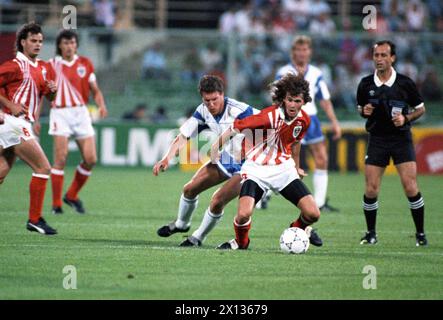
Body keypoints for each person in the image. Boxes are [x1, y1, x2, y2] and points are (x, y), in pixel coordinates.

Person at [213, 73, 322, 250]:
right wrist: (214, 149)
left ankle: (296, 230)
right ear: (283, 99)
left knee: (312, 213)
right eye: (290, 100)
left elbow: (295, 143)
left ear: (304, 101)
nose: (293, 105)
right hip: (256, 170)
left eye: (298, 101)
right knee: (243, 215)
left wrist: (296, 167)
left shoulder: (304, 120)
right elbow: (235, 127)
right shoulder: (267, 116)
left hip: (283, 169)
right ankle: (241, 242)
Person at [153, 75, 255, 247]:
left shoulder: (240, 111)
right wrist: (167, 158)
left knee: (217, 200)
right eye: (207, 100)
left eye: (215, 99)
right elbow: (184, 135)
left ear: (222, 95)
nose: (211, 104)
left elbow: (260, 135)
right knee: (190, 189)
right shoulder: (203, 110)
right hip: (229, 156)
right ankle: (181, 224)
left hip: (252, 162)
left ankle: (198, 237)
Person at [357, 40, 427, 246]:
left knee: (410, 186)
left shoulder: (405, 83)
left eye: (383, 55)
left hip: (400, 139)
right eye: (376, 55)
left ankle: (420, 234)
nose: (379, 59)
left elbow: (421, 109)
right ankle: (371, 234)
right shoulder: (365, 84)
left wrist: (406, 118)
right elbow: (361, 109)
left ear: (392, 58)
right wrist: (363, 112)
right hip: (377, 139)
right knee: (371, 188)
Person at [0, 22, 57, 234]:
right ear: (22, 42)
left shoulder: (42, 68)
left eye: (40, 41)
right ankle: (34, 219)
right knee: (43, 168)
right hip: (12, 123)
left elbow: (47, 96)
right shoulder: (15, 65)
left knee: (2, 172)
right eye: (33, 40)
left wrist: (52, 91)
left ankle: (34, 219)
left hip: (21, 124)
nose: (38, 44)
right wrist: (10, 104)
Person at [273, 35, 341, 212]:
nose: (302, 53)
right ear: (292, 52)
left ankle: (319, 202)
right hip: (288, 120)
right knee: (278, 159)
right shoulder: (283, 72)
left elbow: (324, 100)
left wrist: (334, 122)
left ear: (309, 52)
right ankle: (263, 195)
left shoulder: (317, 73)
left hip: (311, 120)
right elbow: (275, 99)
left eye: (305, 49)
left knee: (321, 158)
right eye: (298, 49)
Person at [44, 29, 108, 214]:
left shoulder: (85, 63)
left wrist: (101, 105)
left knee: (91, 159)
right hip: (60, 112)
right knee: (61, 159)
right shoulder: (51, 65)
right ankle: (56, 205)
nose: (69, 46)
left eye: (72, 43)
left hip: (81, 112)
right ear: (59, 46)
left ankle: (71, 195)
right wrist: (36, 119)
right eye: (65, 43)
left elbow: (95, 89)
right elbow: (43, 92)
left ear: (76, 45)